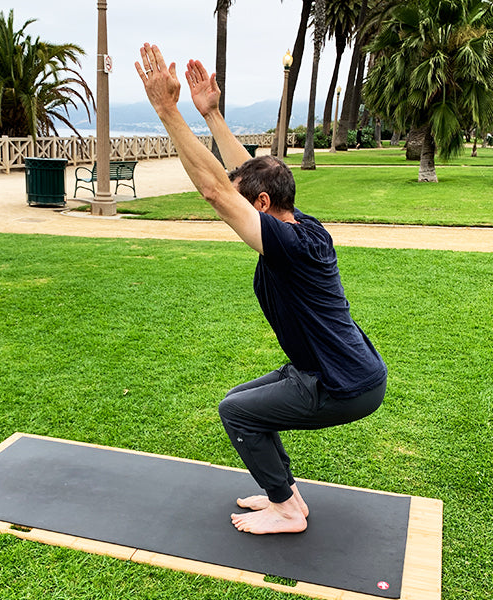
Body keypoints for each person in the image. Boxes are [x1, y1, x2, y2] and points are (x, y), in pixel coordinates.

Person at [135, 44, 387, 535]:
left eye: (249, 204)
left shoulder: (289, 244)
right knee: (244, 402)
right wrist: (211, 116)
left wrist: (168, 111)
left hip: (344, 385)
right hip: (338, 367)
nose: (239, 209)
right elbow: (247, 175)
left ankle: (287, 510)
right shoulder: (301, 224)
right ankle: (286, 492)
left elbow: (217, 191)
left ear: (264, 204)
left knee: (236, 414)